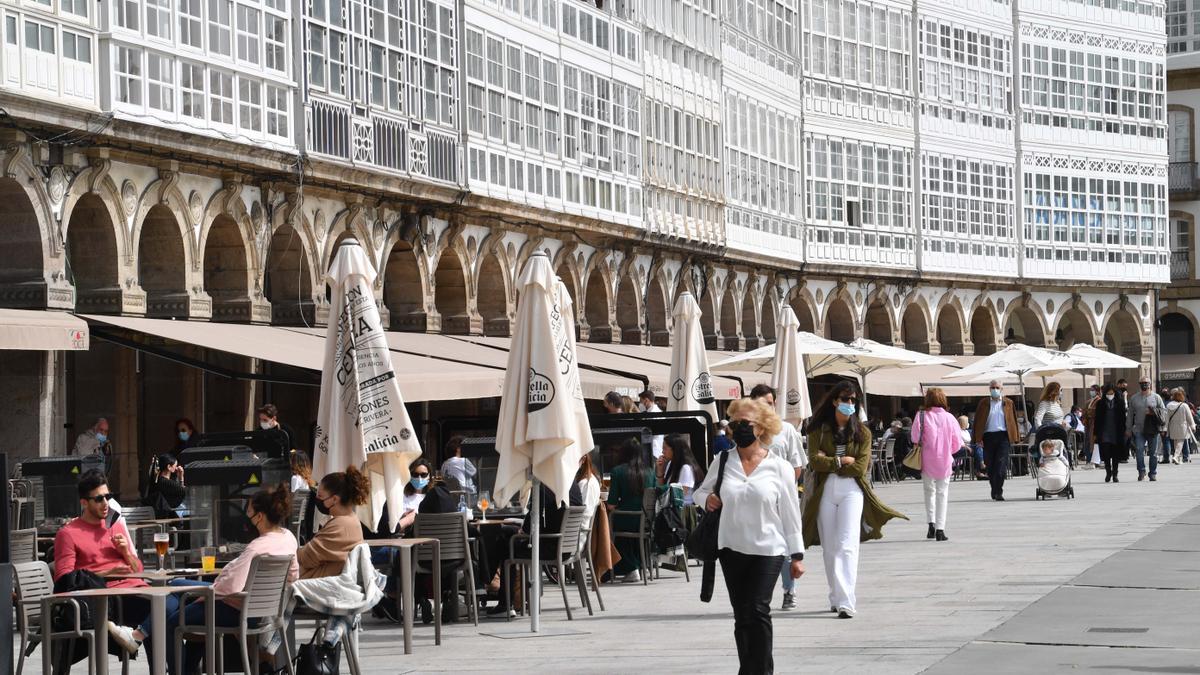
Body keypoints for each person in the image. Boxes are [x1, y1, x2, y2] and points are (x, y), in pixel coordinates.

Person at [693, 397, 803, 674]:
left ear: (762, 427)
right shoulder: (723, 460)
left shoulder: (779, 467)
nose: (738, 428)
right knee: (742, 616)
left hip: (769, 549)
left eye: (746, 423)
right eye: (734, 423)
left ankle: (763, 671)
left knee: (757, 609)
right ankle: (748, 670)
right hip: (731, 547)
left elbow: (790, 513)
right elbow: (700, 492)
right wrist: (707, 500)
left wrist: (797, 555)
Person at [802, 381, 906, 619]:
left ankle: (846, 600)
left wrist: (830, 461)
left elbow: (860, 468)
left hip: (852, 490)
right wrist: (840, 461)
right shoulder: (818, 428)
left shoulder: (863, 432)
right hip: (824, 490)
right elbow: (814, 462)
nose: (849, 404)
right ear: (834, 401)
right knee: (830, 546)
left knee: (847, 544)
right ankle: (835, 595)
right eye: (845, 399)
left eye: (853, 400)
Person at [170, 484, 299, 673]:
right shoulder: (289, 538)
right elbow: (294, 575)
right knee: (176, 585)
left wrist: (204, 595)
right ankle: (188, 668)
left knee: (172, 621)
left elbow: (231, 587)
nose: (246, 514)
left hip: (236, 609)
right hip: (264, 610)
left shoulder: (257, 546)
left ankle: (176, 668)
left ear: (260, 516)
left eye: (249, 510)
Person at [56, 470, 159, 656]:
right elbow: (64, 580)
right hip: (110, 601)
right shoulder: (68, 533)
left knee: (176, 604)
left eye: (108, 497)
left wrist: (126, 552)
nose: (106, 503)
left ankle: (138, 639)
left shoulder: (115, 525)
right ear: (84, 503)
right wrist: (108, 572)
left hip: (137, 589)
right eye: (99, 499)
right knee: (161, 607)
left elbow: (138, 570)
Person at [747, 383, 806, 610]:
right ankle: (761, 592)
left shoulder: (786, 430)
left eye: (772, 404)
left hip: (783, 496)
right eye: (764, 404)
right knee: (761, 545)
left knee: (787, 544)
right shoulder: (747, 430)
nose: (769, 408)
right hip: (756, 498)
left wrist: (787, 486)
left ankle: (789, 590)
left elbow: (797, 465)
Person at [486, 481, 584, 617]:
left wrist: (523, 530)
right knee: (508, 535)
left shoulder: (545, 485)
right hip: (566, 547)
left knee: (506, 544)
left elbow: (529, 524)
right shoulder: (572, 485)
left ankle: (500, 598)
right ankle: (494, 586)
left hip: (548, 547)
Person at [299, 466, 369, 579]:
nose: (317, 499)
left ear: (335, 499)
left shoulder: (340, 525)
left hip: (315, 587)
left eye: (320, 496)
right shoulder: (350, 519)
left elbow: (306, 559)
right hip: (327, 583)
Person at [911, 388, 960, 542]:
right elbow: (957, 443)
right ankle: (940, 529)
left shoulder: (921, 415)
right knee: (942, 493)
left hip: (926, 459)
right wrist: (947, 450)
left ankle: (930, 524)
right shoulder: (950, 418)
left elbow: (914, 437)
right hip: (944, 460)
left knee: (928, 491)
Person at [606, 437, 655, 583]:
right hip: (646, 520)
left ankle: (630, 568)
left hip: (626, 519)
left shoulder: (617, 471)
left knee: (608, 525)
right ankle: (639, 565)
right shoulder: (650, 472)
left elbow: (611, 504)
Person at [973, 380, 1020, 501]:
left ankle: (998, 491)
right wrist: (978, 438)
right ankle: (994, 489)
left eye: (997, 387)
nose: (995, 389)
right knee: (990, 465)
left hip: (1003, 436)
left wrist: (1015, 437)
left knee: (1001, 465)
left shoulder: (1008, 403)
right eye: (992, 387)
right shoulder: (983, 403)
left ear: (1002, 389)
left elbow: (1013, 420)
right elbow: (977, 421)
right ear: (989, 389)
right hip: (988, 436)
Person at [1126, 375, 1166, 481]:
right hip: (1139, 429)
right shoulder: (1134, 398)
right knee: (1139, 450)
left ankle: (1152, 473)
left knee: (1153, 453)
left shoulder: (1156, 397)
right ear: (1139, 384)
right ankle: (1141, 471)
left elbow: (1164, 412)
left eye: (1146, 383)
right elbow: (1130, 415)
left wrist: (1154, 413)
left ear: (1150, 384)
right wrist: (1128, 429)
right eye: (1142, 383)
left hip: (1153, 429)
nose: (1145, 384)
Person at [1092, 384, 1127, 482]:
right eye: (1108, 392)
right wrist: (1095, 433)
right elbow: (1097, 419)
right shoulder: (1100, 403)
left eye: (1111, 392)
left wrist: (1125, 430)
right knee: (1106, 454)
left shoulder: (1120, 402)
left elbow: (1124, 418)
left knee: (1115, 454)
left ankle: (1115, 474)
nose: (1110, 394)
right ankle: (1108, 472)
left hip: (1116, 432)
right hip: (1104, 432)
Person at [656, 433, 702, 505]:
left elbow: (680, 495)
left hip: (683, 512)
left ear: (675, 449)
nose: (662, 452)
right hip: (671, 509)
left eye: (665, 448)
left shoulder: (686, 468)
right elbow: (661, 489)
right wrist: (660, 471)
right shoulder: (670, 464)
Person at [143, 453, 186, 517]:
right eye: (175, 465)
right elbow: (183, 492)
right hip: (166, 516)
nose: (176, 467)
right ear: (169, 467)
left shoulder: (156, 481)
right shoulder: (166, 483)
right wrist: (181, 478)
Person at [397, 458, 434, 531]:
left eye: (423, 475)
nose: (419, 478)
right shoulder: (401, 495)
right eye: (415, 474)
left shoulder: (433, 496)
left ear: (429, 476)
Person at [1166, 388, 1195, 466]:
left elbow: (1166, 418)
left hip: (1172, 427)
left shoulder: (1169, 406)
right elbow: (1189, 417)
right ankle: (1175, 456)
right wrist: (1193, 426)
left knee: (1176, 442)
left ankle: (1178, 459)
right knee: (1180, 442)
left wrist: (1165, 428)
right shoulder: (1184, 405)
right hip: (1182, 426)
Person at [576, 453, 601, 532]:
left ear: (583, 459)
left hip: (578, 536)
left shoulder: (586, 484)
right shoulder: (588, 481)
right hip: (577, 533)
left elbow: (585, 514)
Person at [638, 390, 666, 458]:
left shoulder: (654, 414)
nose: (640, 404)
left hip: (653, 450)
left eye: (641, 401)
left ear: (646, 401)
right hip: (652, 448)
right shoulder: (652, 412)